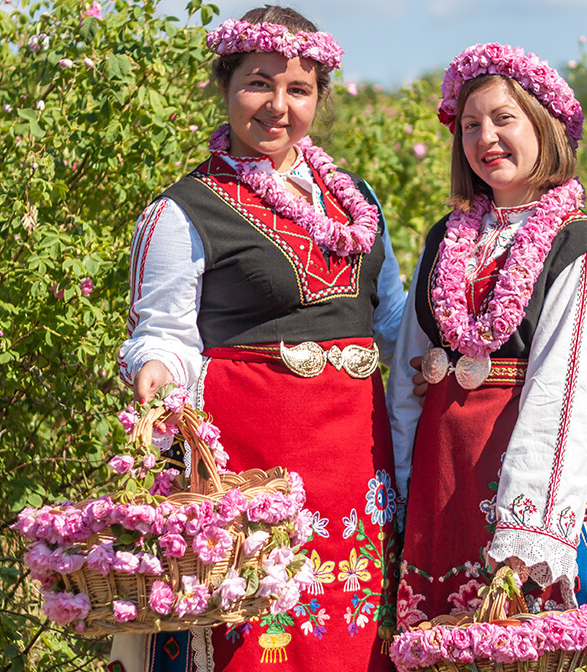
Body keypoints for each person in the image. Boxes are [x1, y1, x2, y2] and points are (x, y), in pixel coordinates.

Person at [110, 6, 404, 671]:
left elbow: (392, 322)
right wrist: (156, 371)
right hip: (255, 460)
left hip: (358, 460)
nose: (277, 106)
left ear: (319, 99)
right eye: (257, 83)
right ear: (225, 86)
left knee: (354, 632)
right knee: (259, 638)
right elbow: (163, 332)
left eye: (298, 89)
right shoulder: (183, 209)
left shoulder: (358, 200)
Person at [386, 43, 587, 628]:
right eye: (470, 125)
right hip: (442, 471)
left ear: (544, 126)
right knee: (438, 638)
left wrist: (527, 521)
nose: (485, 137)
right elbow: (411, 364)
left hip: (515, 468)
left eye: (503, 119)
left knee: (513, 637)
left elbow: (566, 390)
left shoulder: (577, 244)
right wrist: (404, 482)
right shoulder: (446, 235)